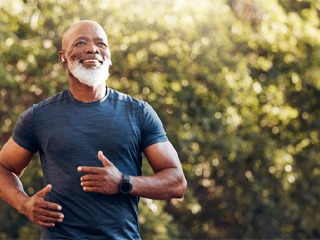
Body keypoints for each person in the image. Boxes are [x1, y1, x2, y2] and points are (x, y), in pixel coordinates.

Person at [0, 20, 187, 239]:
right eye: (81, 43)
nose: (92, 49)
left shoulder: (138, 112)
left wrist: (123, 183)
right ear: (63, 56)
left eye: (101, 43)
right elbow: (3, 166)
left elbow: (177, 183)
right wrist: (24, 204)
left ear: (108, 55)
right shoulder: (39, 116)